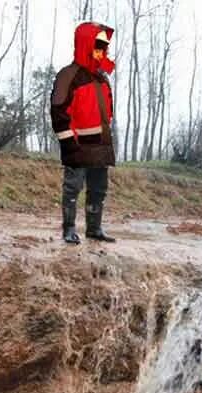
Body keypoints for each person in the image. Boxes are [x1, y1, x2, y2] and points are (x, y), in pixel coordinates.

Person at [50, 22, 117, 244]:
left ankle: (94, 228)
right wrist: (69, 144)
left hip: (100, 146)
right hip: (78, 145)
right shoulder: (67, 76)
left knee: (98, 189)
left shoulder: (102, 78)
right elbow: (59, 113)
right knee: (73, 188)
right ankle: (68, 229)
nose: (103, 52)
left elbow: (107, 113)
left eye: (104, 48)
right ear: (85, 45)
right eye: (98, 47)